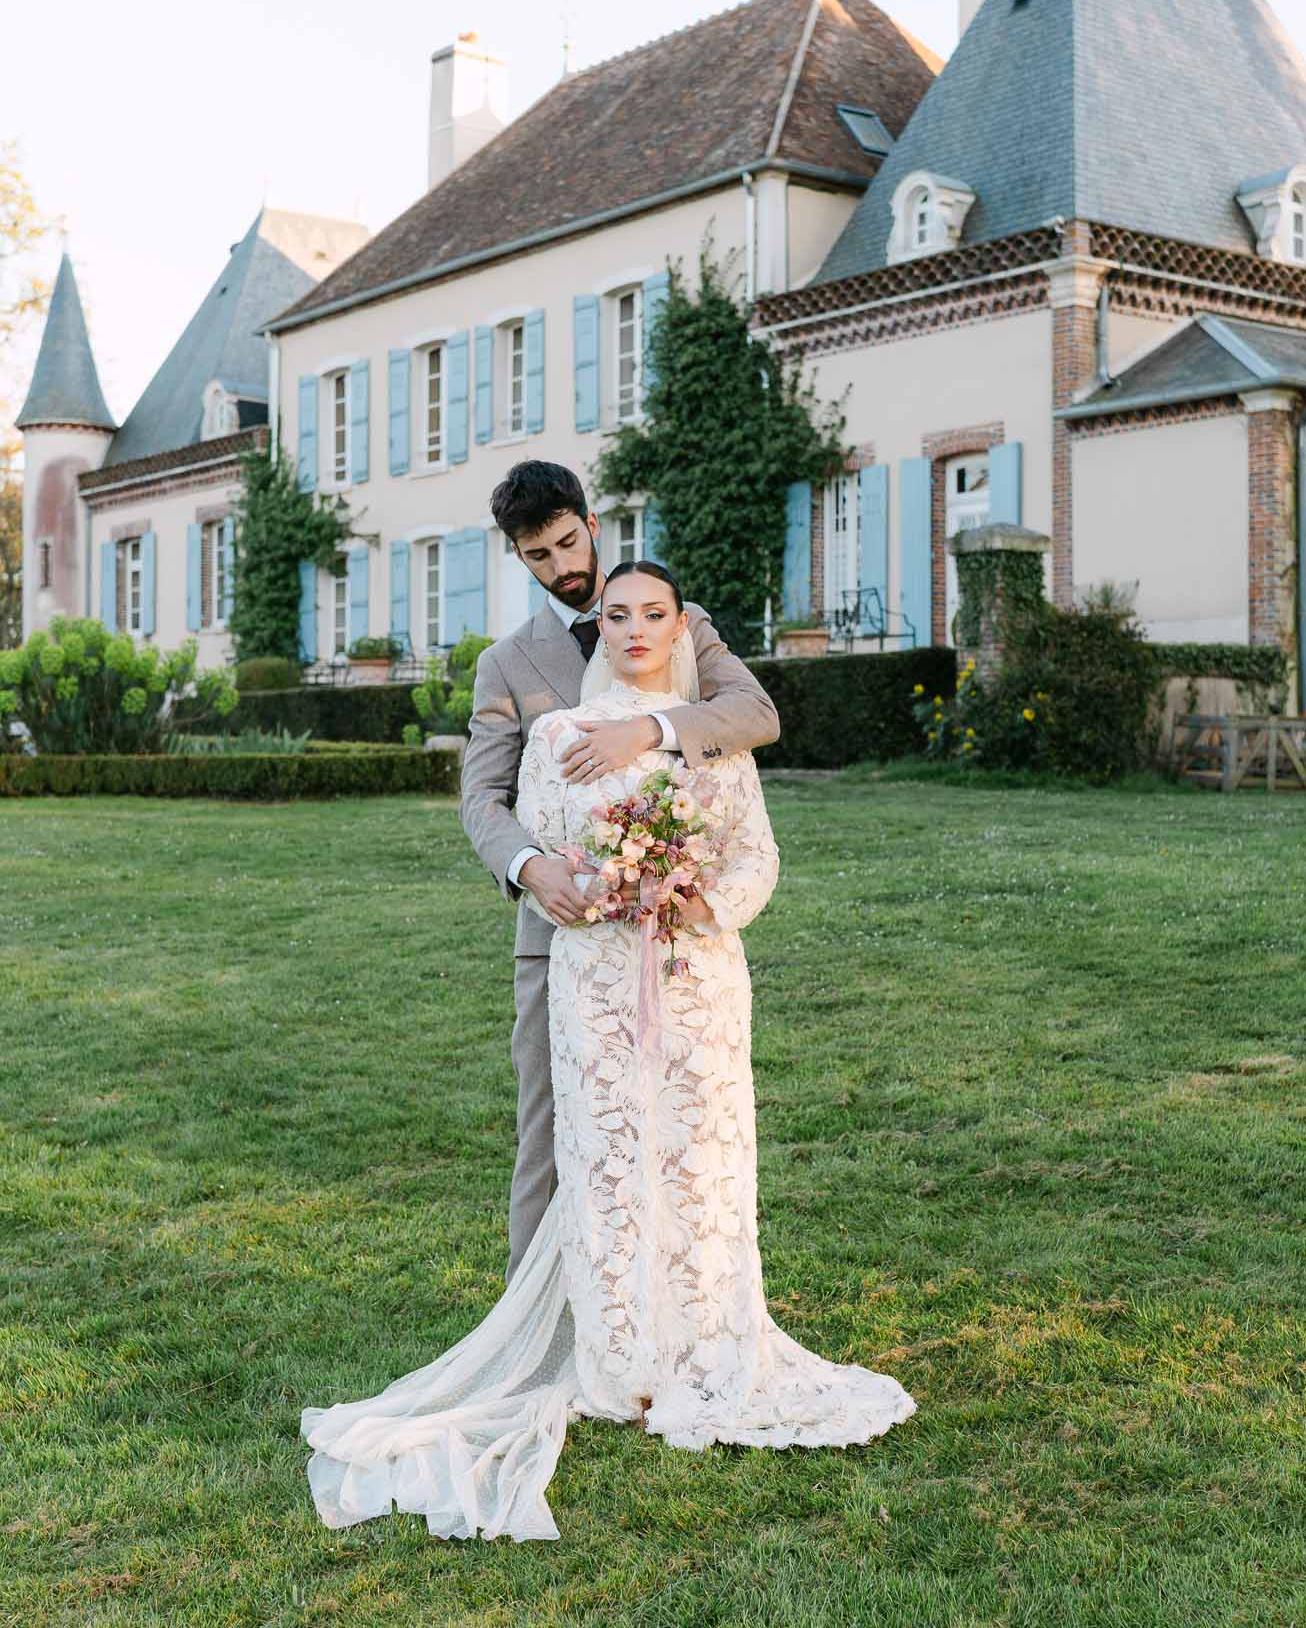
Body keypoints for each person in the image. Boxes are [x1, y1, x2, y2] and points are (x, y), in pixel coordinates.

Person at [300, 555, 915, 1542]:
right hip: (593, 977)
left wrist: (701, 898)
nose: (634, 629)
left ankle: (709, 1347)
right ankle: (619, 1359)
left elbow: (754, 851)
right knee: (609, 1158)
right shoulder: (558, 735)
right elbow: (543, 841)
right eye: (618, 614)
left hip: (697, 972)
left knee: (702, 1158)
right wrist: (586, 880)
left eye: (653, 614)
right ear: (603, 628)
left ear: (678, 626)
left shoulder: (710, 732)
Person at [459, 461, 781, 1282]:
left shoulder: (677, 620)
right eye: (538, 556)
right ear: (517, 556)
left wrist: (650, 729)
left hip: (679, 942)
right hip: (561, 937)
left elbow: (753, 715)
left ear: (592, 523)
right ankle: (549, 1319)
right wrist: (529, 867)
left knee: (684, 1123)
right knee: (552, 1130)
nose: (561, 566)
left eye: (568, 543)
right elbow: (482, 798)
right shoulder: (506, 664)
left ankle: (676, 1297)